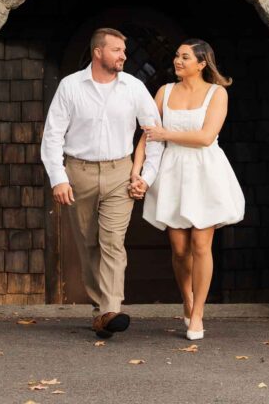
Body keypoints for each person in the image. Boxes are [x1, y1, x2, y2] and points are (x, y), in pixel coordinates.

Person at [40, 27, 163, 339]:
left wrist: (146, 176)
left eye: (124, 50)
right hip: (78, 172)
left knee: (112, 241)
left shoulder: (134, 87)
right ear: (98, 52)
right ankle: (101, 312)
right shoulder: (70, 87)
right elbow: (52, 135)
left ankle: (111, 310)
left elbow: (154, 134)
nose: (123, 55)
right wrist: (58, 178)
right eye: (117, 50)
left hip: (120, 172)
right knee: (88, 243)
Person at [130, 39, 245, 341]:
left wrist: (166, 133)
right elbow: (148, 135)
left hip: (205, 170)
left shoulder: (217, 93)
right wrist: (136, 170)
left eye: (185, 57)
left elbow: (206, 137)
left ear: (202, 63)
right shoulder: (164, 92)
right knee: (180, 249)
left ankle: (198, 314)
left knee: (201, 245)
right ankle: (187, 298)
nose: (178, 61)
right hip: (173, 171)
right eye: (177, 56)